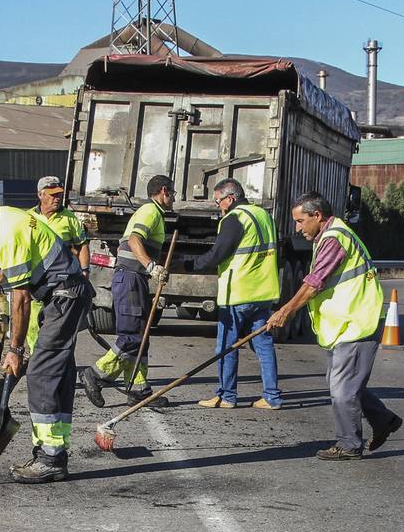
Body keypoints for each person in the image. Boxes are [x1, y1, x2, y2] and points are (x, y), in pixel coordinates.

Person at [0, 192, 91, 484]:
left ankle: (50, 459)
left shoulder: (9, 230)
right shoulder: (7, 217)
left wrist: (14, 349)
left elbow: (20, 300)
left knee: (40, 374)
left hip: (64, 296)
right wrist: (5, 272)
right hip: (66, 293)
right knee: (58, 375)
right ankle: (54, 452)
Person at [267, 192, 401, 460]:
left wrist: (286, 310)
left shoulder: (334, 238)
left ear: (317, 216)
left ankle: (349, 444)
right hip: (346, 323)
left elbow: (314, 282)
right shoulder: (331, 235)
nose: (297, 227)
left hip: (356, 322)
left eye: (300, 220)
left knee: (342, 388)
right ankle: (383, 419)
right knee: (342, 383)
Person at [177, 178, 282, 410]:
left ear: (230, 198)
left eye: (218, 201)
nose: (218, 206)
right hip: (263, 291)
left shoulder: (234, 219)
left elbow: (217, 254)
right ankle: (272, 397)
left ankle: (227, 396)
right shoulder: (264, 216)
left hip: (238, 292)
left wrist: (187, 266)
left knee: (226, 345)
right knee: (263, 345)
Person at [82, 175, 172, 408]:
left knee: (140, 337)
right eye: (171, 192)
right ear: (163, 191)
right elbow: (134, 240)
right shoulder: (150, 211)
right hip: (131, 278)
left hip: (135, 279)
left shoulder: (156, 214)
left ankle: (138, 389)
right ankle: (95, 374)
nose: (173, 197)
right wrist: (151, 266)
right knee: (131, 337)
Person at [32, 175, 90, 271]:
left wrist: (85, 270)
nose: (57, 198)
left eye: (59, 194)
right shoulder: (29, 217)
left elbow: (82, 245)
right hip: (36, 274)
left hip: (62, 274)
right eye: (53, 194)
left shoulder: (70, 218)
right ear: (40, 195)